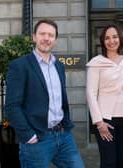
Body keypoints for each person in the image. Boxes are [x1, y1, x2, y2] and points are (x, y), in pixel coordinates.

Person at [5, 19, 84, 168]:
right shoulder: (20, 66)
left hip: (63, 135)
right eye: (42, 34)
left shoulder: (59, 66)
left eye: (51, 35)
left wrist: (66, 126)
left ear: (55, 40)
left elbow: (61, 99)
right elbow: (12, 106)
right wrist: (28, 136)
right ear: (34, 37)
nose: (46, 38)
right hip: (37, 140)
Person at [86, 24, 123, 168]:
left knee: (122, 161)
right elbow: (91, 94)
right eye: (107, 38)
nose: (112, 41)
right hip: (105, 120)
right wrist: (99, 122)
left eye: (115, 37)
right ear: (103, 41)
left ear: (120, 39)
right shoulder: (96, 63)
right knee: (108, 162)